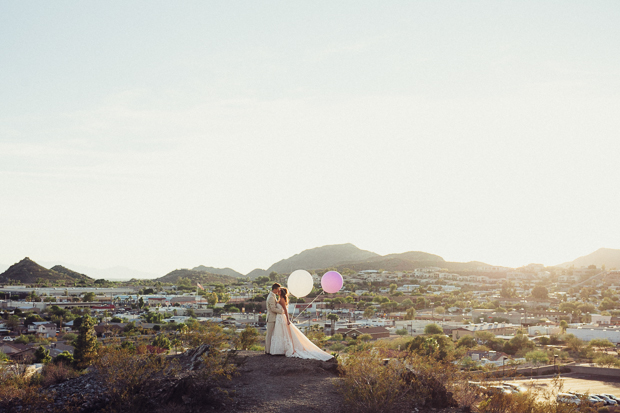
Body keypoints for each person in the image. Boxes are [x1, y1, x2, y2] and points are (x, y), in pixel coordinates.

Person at [270, 287, 333, 361]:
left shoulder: (282, 299)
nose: (278, 292)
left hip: (281, 318)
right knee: (280, 333)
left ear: (282, 292)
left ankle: (282, 349)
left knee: (282, 332)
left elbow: (285, 310)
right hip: (279, 318)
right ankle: (279, 350)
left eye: (279, 291)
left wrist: (287, 319)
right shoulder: (280, 298)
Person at [265, 283, 284, 355]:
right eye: (278, 289)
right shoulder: (271, 297)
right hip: (271, 318)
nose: (279, 290)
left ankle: (269, 350)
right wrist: (281, 311)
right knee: (269, 334)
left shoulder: (273, 296)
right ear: (275, 289)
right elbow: (272, 309)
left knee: (271, 334)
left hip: (273, 318)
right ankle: (267, 351)